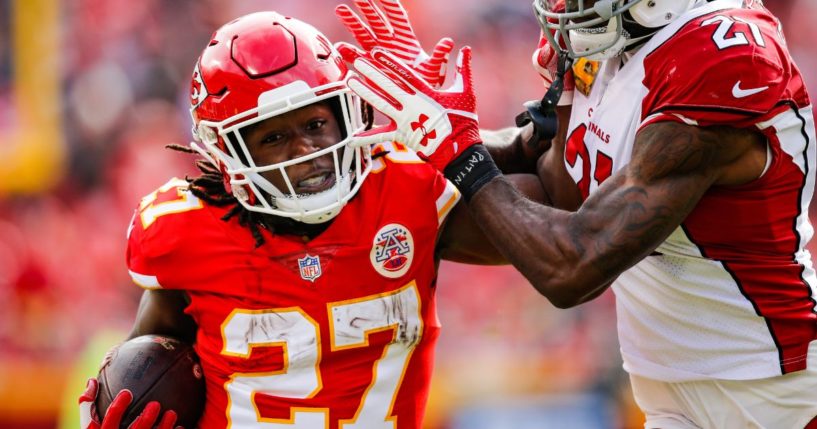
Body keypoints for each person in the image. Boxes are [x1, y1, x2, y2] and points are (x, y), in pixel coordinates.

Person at [338, 0, 817, 427]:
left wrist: (459, 150)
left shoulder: (723, 55)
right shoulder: (614, 41)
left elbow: (575, 266)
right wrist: (407, 136)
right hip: (672, 391)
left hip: (778, 392)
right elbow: (556, 183)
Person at [76, 10, 547, 429]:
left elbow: (549, 213)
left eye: (316, 125)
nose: (304, 151)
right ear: (227, 153)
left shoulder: (403, 188)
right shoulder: (186, 232)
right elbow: (147, 360)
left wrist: (545, 110)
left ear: (348, 116)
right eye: (274, 137)